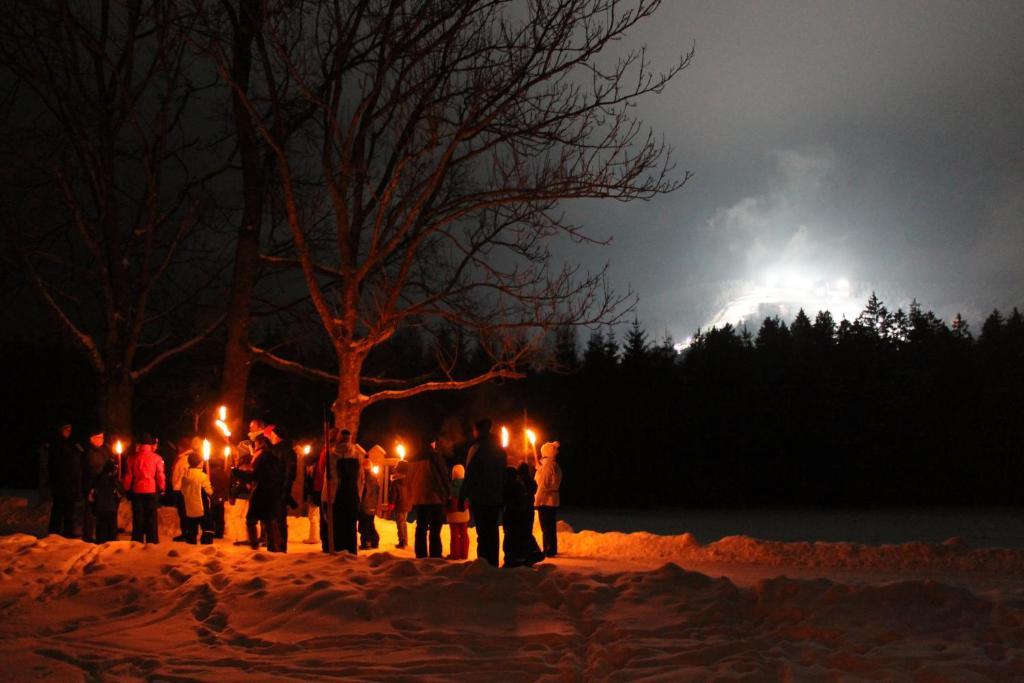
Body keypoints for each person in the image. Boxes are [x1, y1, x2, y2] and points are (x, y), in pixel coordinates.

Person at [460, 419, 506, 566]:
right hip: (496, 496)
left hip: (480, 496)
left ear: (478, 431)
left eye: (474, 430)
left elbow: (470, 473)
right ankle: (493, 561)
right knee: (492, 530)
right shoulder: (500, 449)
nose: (473, 433)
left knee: (483, 532)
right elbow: (502, 473)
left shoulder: (476, 449)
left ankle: (484, 563)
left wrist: (462, 496)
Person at [233, 435, 285, 552]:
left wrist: (238, 473)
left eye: (255, 444)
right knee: (268, 520)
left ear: (261, 444)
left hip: (261, 493)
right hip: (271, 493)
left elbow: (255, 476)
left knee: (251, 520)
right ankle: (273, 549)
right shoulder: (272, 457)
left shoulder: (262, 458)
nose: (253, 446)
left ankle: (255, 547)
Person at [316, 429, 364, 554]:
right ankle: (351, 552)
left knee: (337, 527)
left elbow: (331, 479)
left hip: (338, 497)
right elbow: (361, 478)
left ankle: (338, 554)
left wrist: (327, 499)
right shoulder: (357, 455)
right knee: (350, 527)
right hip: (352, 496)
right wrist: (359, 495)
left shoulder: (332, 455)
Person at [407, 436, 448, 559]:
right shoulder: (435, 456)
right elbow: (443, 475)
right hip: (434, 497)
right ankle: (435, 554)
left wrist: (412, 494)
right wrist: (446, 492)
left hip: (419, 498)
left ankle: (421, 553)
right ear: (432, 443)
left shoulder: (412, 459)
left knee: (421, 527)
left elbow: (408, 479)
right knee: (435, 528)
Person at [123, 433, 166, 544]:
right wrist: (162, 487)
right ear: (151, 444)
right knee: (151, 517)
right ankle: (152, 541)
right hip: (151, 490)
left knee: (138, 516)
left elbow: (129, 475)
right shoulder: (157, 458)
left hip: (137, 490)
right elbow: (160, 475)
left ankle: (137, 540)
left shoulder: (132, 458)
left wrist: (126, 488)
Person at [502, 463, 544, 568]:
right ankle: (529, 555)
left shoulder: (516, 486)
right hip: (523, 513)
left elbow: (510, 502)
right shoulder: (520, 485)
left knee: (518, 537)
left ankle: (519, 558)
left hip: (518, 514)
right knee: (524, 535)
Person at [47, 421, 83, 538]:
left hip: (69, 483)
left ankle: (66, 532)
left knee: (68, 509)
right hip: (62, 483)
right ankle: (55, 532)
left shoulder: (70, 444)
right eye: (66, 429)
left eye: (70, 430)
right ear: (61, 430)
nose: (69, 432)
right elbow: (57, 465)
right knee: (60, 508)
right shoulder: (57, 444)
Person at [267, 425, 297, 551]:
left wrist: (285, 491)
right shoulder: (273, 450)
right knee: (272, 519)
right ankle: (273, 546)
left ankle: (279, 547)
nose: (271, 437)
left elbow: (290, 473)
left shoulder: (287, 452)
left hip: (279, 490)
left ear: (278, 437)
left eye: (273, 435)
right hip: (273, 489)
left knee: (279, 520)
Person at [534, 440, 562, 557]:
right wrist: (540, 469)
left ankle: (548, 549)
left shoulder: (548, 467)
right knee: (550, 526)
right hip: (553, 500)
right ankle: (552, 548)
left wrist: (536, 501)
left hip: (546, 500)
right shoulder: (554, 465)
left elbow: (542, 486)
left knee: (546, 527)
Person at [81, 428, 109, 543]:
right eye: (99, 437)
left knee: (101, 510)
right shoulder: (89, 452)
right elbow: (90, 469)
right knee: (90, 512)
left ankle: (102, 534)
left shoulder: (103, 451)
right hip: (91, 485)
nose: (102, 439)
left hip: (102, 485)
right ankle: (88, 535)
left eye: (102, 437)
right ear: (92, 439)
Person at [180, 451, 214, 544]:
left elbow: (182, 491)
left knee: (191, 527)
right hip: (202, 506)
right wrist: (211, 488)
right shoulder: (202, 476)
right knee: (207, 526)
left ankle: (191, 543)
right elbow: (209, 491)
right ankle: (206, 544)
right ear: (199, 463)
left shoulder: (185, 475)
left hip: (189, 506)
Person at [88, 458, 122, 543]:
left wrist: (94, 506)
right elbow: (117, 495)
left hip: (100, 509)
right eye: (115, 468)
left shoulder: (98, 478)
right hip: (110, 509)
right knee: (110, 531)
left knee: (101, 530)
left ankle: (101, 541)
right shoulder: (112, 481)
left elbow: (92, 495)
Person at [169, 437, 195, 541]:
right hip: (182, 489)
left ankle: (187, 533)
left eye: (179, 446)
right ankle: (187, 533)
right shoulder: (183, 457)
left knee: (184, 512)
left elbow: (182, 475)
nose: (178, 448)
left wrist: (176, 486)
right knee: (184, 512)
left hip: (182, 490)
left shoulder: (185, 458)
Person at [446, 464, 470, 560]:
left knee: (454, 534)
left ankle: (455, 554)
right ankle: (464, 554)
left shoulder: (449, 486)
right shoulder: (466, 485)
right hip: (463, 511)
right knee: (464, 532)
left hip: (453, 512)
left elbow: (446, 498)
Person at [302, 438, 323, 544]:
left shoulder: (315, 466)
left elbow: (313, 480)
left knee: (313, 514)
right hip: (313, 491)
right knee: (314, 514)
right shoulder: (311, 466)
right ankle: (314, 536)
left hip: (316, 492)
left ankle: (314, 537)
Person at [358, 457, 380, 550]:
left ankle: (366, 543)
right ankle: (374, 541)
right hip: (372, 505)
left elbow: (363, 492)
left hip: (365, 505)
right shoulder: (374, 477)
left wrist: (359, 501)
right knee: (370, 523)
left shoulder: (365, 478)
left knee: (364, 525)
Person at [389, 460, 411, 549]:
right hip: (407, 504)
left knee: (400, 523)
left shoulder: (396, 482)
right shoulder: (409, 481)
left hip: (399, 505)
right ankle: (405, 540)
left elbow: (393, 495)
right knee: (404, 522)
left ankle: (402, 541)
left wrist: (391, 504)